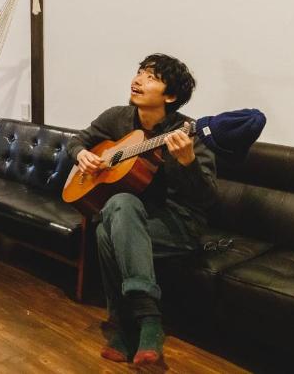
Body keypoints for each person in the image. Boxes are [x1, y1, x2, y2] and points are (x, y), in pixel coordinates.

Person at [66, 54, 217, 366]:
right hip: (131, 216)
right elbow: (79, 139)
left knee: (107, 226)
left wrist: (188, 163)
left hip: (178, 223)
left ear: (170, 96)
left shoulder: (186, 133)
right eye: (139, 73)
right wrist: (81, 154)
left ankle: (123, 325)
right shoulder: (118, 117)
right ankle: (148, 320)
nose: (137, 81)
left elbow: (206, 197)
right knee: (119, 208)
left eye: (150, 77)